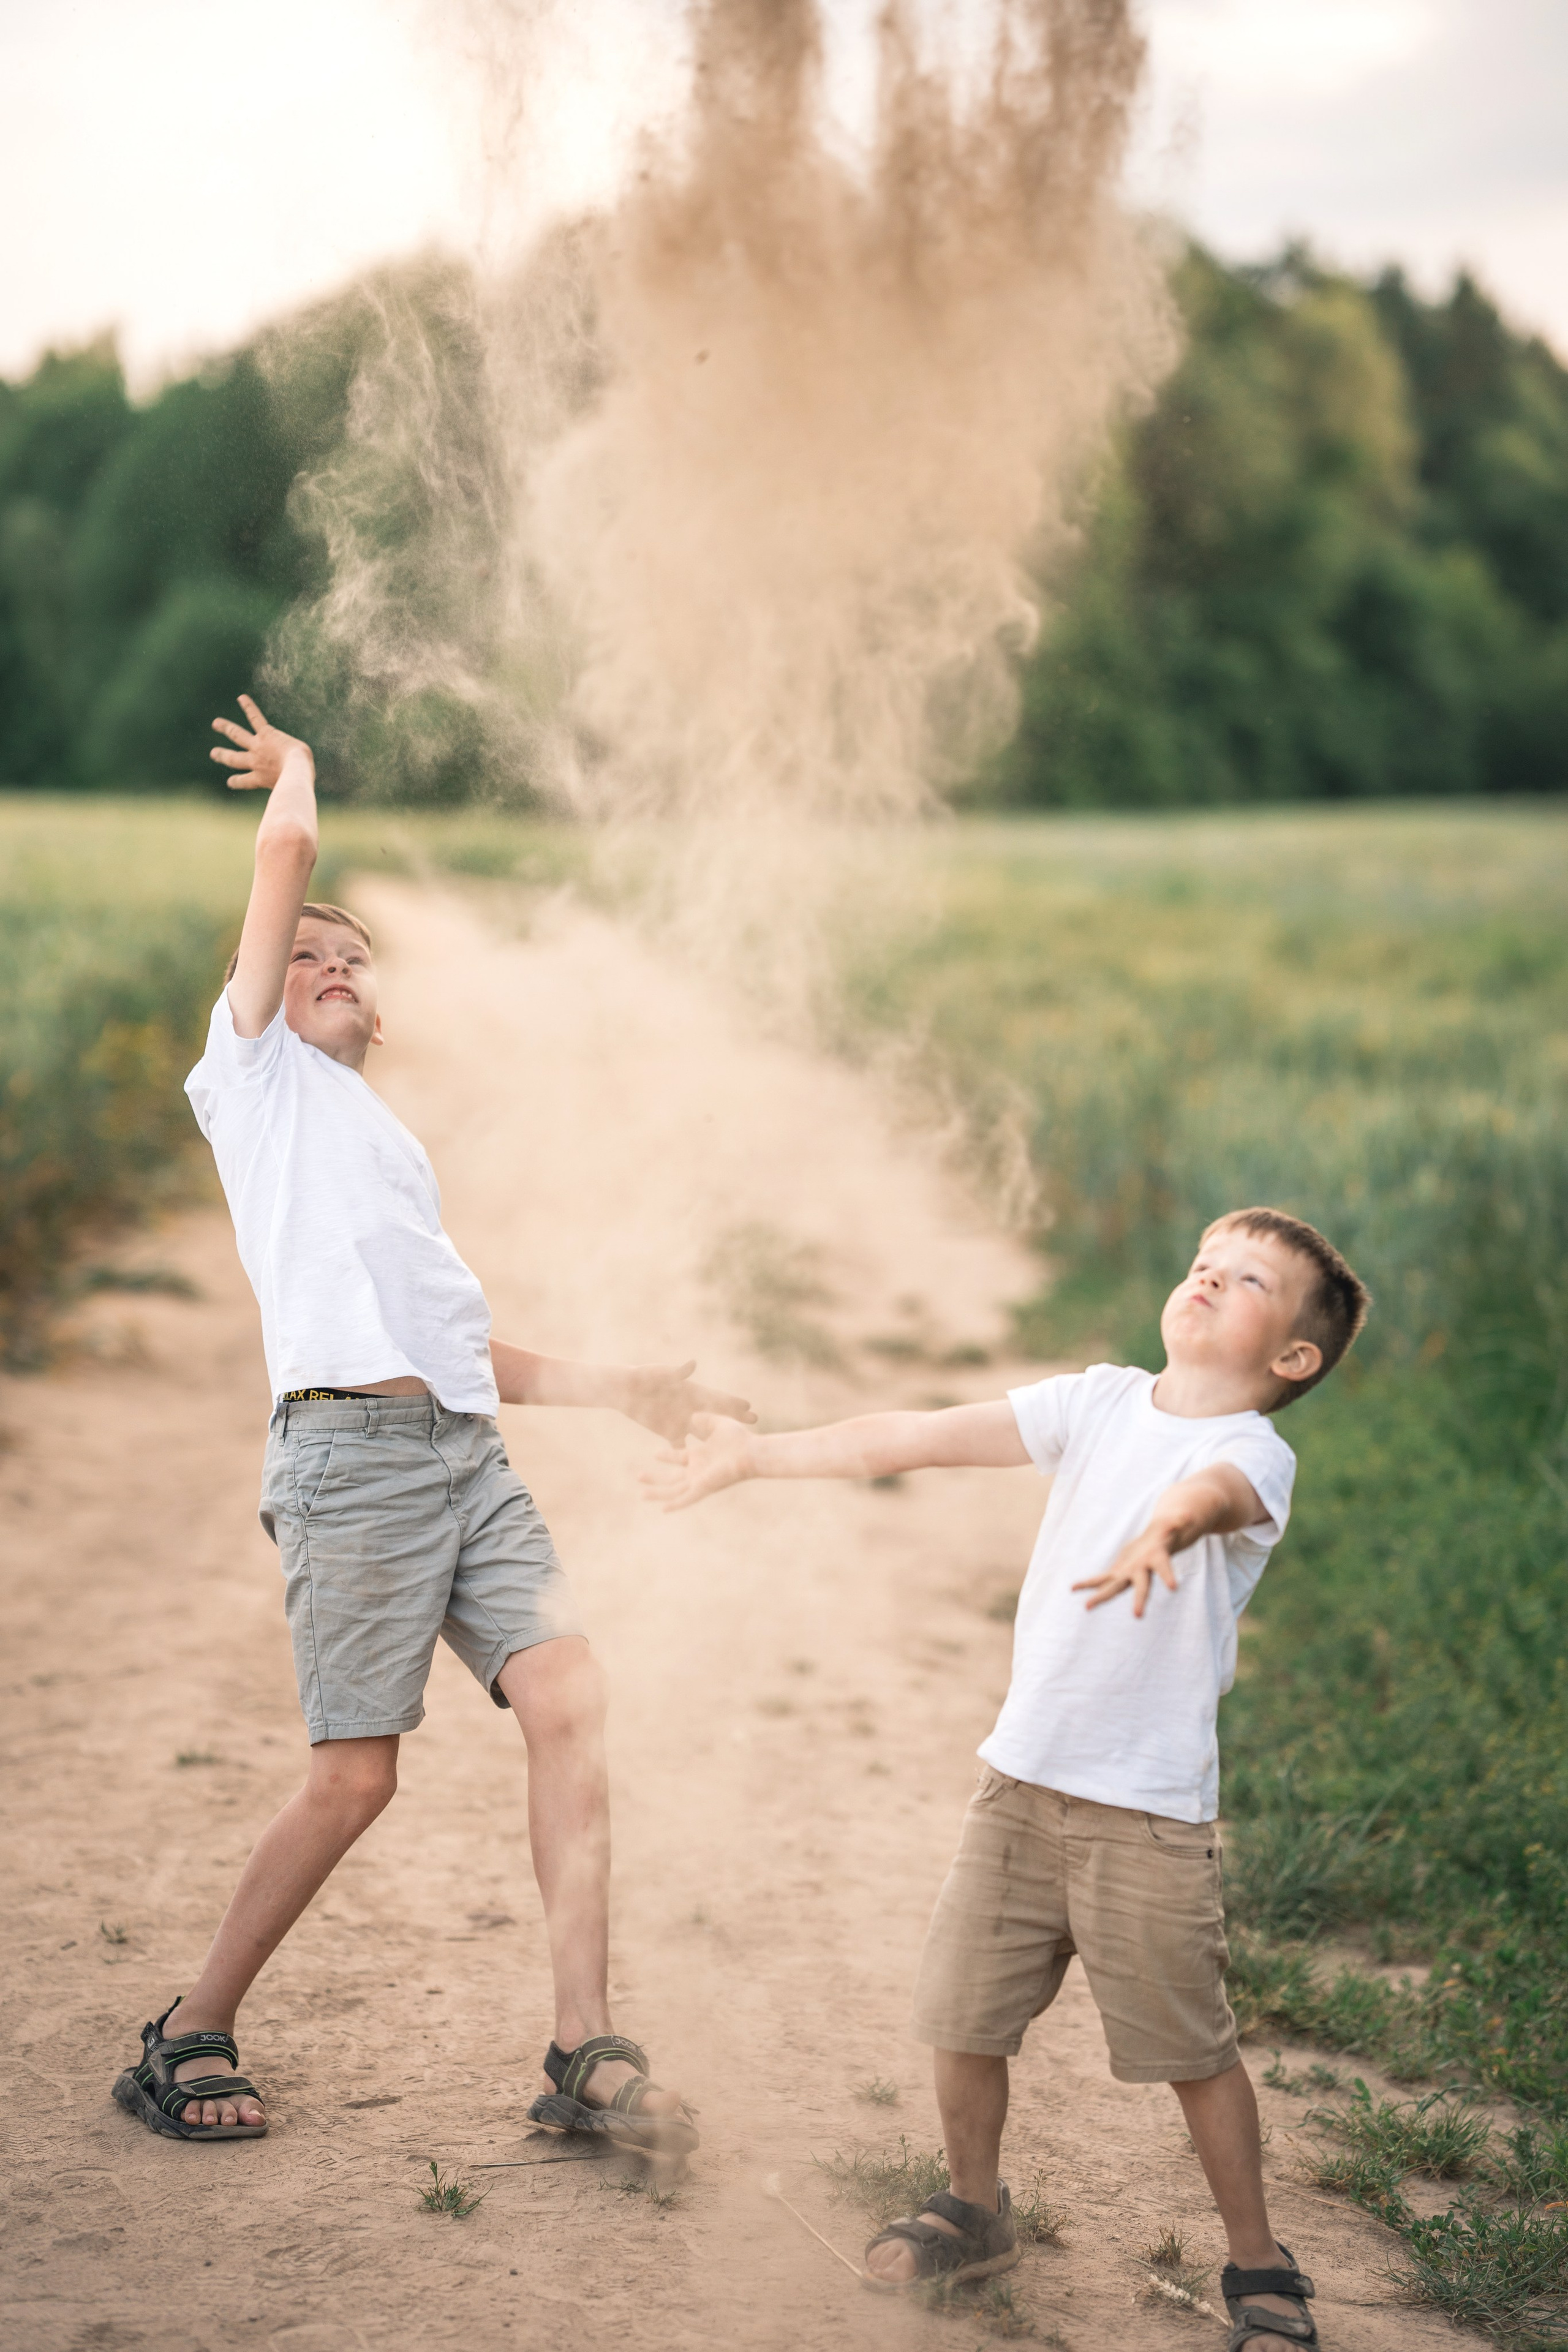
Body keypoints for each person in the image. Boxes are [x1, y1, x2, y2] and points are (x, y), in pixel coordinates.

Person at [113, 695, 751, 2155]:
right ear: (263, 992)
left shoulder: (384, 1145)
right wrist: (300, 780)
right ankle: (188, 2030)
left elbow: (458, 1352)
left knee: (570, 1706)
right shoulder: (253, 1082)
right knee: (357, 1776)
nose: (327, 965)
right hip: (348, 1466)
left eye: (354, 962)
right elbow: (285, 870)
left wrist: (619, 1388)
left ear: (378, 1014)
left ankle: (583, 2049)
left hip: (464, 1462)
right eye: (305, 954)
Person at [644, 1208, 1369, 2351]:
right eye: (1203, 1264)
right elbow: (916, 1436)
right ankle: (973, 2210)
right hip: (1020, 1783)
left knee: (1192, 2050)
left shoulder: (1253, 1455)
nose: (1208, 1281)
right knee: (963, 2014)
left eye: (1246, 1281)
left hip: (1146, 1815)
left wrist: (1163, 1532)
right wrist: (757, 1455)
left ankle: (1258, 2261)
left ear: (1294, 1359)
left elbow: (1214, 1496)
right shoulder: (1096, 1402)